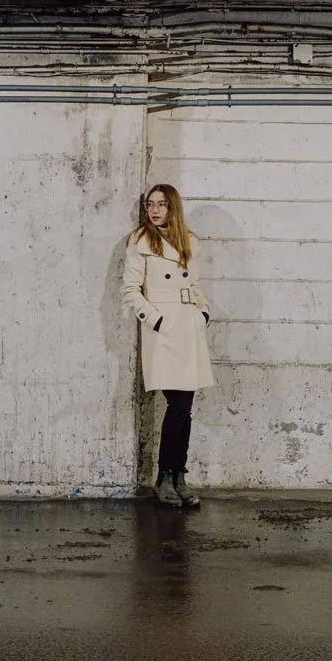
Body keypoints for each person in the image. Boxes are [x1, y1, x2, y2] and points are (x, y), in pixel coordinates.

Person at [121, 182, 213, 508]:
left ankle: (177, 477)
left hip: (188, 326)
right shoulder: (140, 242)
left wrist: (202, 313)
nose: (155, 210)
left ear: (173, 207)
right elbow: (130, 290)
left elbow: (196, 284)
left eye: (161, 204)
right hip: (165, 331)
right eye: (150, 204)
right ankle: (164, 477)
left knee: (184, 409)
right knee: (178, 407)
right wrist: (156, 320)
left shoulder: (188, 242)